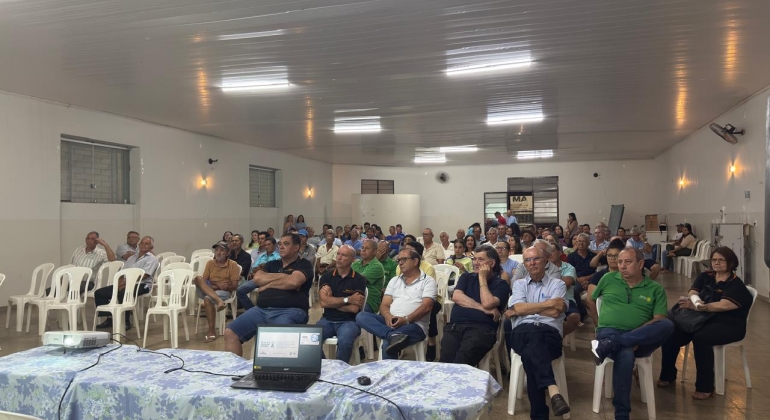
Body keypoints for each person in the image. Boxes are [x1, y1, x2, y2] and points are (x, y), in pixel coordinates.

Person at [657, 247, 754, 400]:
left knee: (701, 337)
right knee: (671, 331)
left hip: (729, 324)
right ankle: (668, 375)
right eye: (714, 260)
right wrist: (695, 301)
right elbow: (693, 291)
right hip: (702, 318)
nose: (717, 263)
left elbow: (723, 305)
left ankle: (705, 386)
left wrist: (697, 306)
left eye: (721, 260)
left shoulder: (735, 284)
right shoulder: (706, 276)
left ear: (731, 262)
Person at [591, 248, 674, 420]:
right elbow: (591, 299)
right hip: (609, 330)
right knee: (626, 353)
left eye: (627, 262)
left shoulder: (655, 289)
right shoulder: (608, 278)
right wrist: (597, 324)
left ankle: (614, 344)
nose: (621, 266)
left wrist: (636, 335)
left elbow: (658, 318)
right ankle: (622, 414)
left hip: (640, 336)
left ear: (641, 263)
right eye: (620, 262)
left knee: (667, 324)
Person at [505, 247, 571, 418]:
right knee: (534, 334)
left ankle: (540, 414)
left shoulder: (558, 284)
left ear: (545, 261)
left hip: (550, 335)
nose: (532, 263)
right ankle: (552, 389)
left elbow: (556, 312)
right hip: (521, 333)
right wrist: (548, 304)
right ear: (524, 264)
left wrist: (526, 310)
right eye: (527, 260)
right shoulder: (519, 284)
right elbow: (518, 307)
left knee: (530, 354)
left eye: (536, 259)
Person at [224, 234, 314, 356]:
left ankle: (278, 373)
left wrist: (268, 285)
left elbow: (294, 282)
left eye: (286, 244)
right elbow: (258, 278)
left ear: (296, 247)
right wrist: (285, 277)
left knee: (279, 337)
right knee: (230, 332)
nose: (281, 247)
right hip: (261, 310)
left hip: (290, 310)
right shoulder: (272, 264)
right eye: (280, 244)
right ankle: (237, 371)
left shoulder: (303, 264)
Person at [356, 249, 436, 359]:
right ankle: (392, 335)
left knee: (389, 343)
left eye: (404, 259)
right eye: (398, 260)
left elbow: (427, 306)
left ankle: (390, 374)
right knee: (361, 316)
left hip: (414, 325)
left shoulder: (428, 281)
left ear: (415, 261)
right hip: (390, 321)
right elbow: (384, 305)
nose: (400, 263)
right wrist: (388, 316)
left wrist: (406, 319)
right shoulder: (394, 280)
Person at [441, 245, 509, 366]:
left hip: (481, 329)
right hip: (455, 327)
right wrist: (483, 309)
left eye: (481, 260)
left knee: (461, 361)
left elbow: (488, 302)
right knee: (445, 361)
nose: (476, 263)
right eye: (474, 259)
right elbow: (456, 296)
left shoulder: (501, 284)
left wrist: (482, 278)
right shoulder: (466, 277)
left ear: (492, 263)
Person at [94, 236, 157, 330]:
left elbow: (145, 275)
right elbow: (122, 273)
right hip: (125, 283)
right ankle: (110, 318)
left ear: (151, 247)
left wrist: (126, 282)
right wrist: (119, 283)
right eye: (142, 243)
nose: (143, 245)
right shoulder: (132, 258)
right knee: (99, 293)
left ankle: (125, 321)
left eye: (147, 244)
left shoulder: (151, 259)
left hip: (143, 285)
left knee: (124, 292)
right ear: (139, 245)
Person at [316, 245, 366, 362]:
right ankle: (326, 367)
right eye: (338, 254)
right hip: (327, 320)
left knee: (344, 341)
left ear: (352, 259)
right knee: (310, 339)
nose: (339, 258)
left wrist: (332, 301)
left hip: (349, 322)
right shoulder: (326, 277)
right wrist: (347, 299)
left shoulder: (359, 279)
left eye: (343, 255)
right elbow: (323, 303)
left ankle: (339, 371)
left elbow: (354, 309)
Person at [194, 241, 241, 342]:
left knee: (207, 299)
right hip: (211, 289)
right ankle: (219, 301)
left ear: (228, 253)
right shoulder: (210, 263)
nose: (218, 253)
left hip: (224, 292)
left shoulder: (233, 265)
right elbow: (204, 281)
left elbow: (234, 286)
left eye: (222, 250)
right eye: (216, 250)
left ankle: (211, 331)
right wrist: (218, 285)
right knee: (197, 278)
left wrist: (218, 286)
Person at [585, 239, 625, 326]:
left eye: (616, 256)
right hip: (607, 313)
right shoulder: (599, 276)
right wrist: (597, 324)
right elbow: (590, 300)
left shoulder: (627, 275)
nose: (612, 258)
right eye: (609, 255)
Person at [236, 237, 280, 311]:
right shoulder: (261, 255)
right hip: (258, 278)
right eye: (265, 245)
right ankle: (251, 310)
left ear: (274, 245)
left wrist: (264, 267)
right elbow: (254, 269)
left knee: (264, 293)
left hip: (271, 280)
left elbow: (275, 271)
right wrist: (262, 268)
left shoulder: (278, 257)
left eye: (269, 244)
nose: (267, 246)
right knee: (240, 290)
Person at [567, 233, 596, 320]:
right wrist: (579, 279)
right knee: (574, 290)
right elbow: (570, 271)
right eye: (579, 241)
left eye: (583, 241)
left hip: (591, 278)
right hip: (577, 278)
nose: (581, 243)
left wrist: (587, 279)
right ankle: (583, 313)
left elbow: (597, 271)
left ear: (588, 243)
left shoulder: (593, 256)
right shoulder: (571, 256)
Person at [351, 240, 385, 313]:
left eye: (367, 248)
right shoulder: (355, 264)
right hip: (352, 296)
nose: (363, 250)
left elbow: (359, 280)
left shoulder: (377, 266)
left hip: (369, 301)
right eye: (362, 247)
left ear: (374, 252)